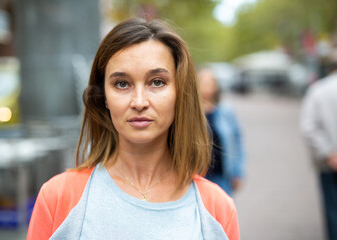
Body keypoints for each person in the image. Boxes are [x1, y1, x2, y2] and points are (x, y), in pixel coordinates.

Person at [26, 18, 240, 240]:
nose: (139, 102)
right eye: (122, 83)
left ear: (180, 92)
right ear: (104, 97)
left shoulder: (217, 208)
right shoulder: (58, 198)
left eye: (157, 82)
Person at [300, 49, 337, 240]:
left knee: (333, 211)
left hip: (328, 163)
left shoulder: (319, 90)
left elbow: (308, 126)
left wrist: (330, 154)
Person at [197, 68, 245, 196]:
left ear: (215, 86)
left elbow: (237, 141)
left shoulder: (226, 111)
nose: (206, 87)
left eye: (210, 83)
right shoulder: (190, 113)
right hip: (197, 175)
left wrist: (238, 172)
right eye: (203, 82)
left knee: (222, 213)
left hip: (222, 174)